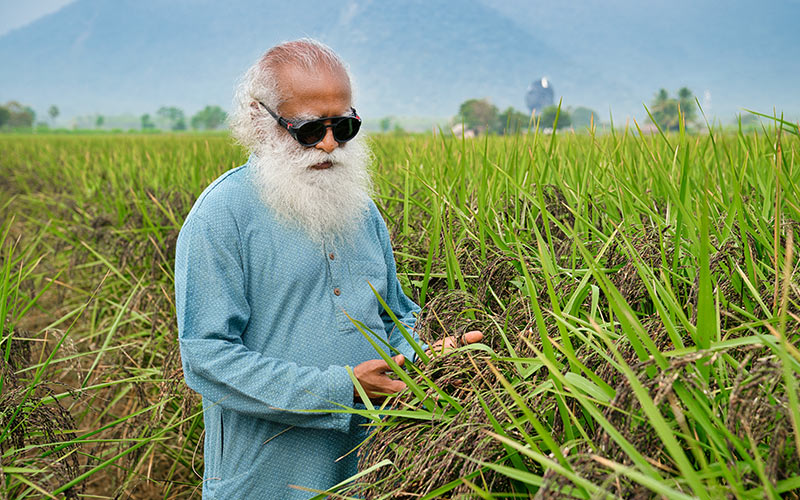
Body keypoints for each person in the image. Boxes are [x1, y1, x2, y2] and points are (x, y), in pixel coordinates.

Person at [175, 39, 482, 499]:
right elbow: (207, 358)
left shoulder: (361, 211)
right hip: (265, 480)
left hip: (366, 472)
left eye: (344, 126)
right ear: (260, 121)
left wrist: (426, 359)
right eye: (308, 129)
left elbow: (394, 316)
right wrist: (342, 389)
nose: (329, 143)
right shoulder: (221, 217)